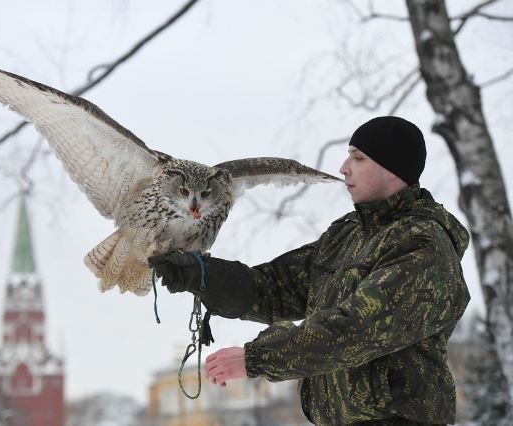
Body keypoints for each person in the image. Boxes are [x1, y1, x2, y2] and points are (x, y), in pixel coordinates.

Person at [149, 116, 471, 426]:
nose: (344, 169)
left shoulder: (422, 247)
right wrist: (202, 274)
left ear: (392, 170)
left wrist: (256, 358)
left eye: (358, 159)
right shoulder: (348, 235)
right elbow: (277, 287)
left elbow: (353, 330)